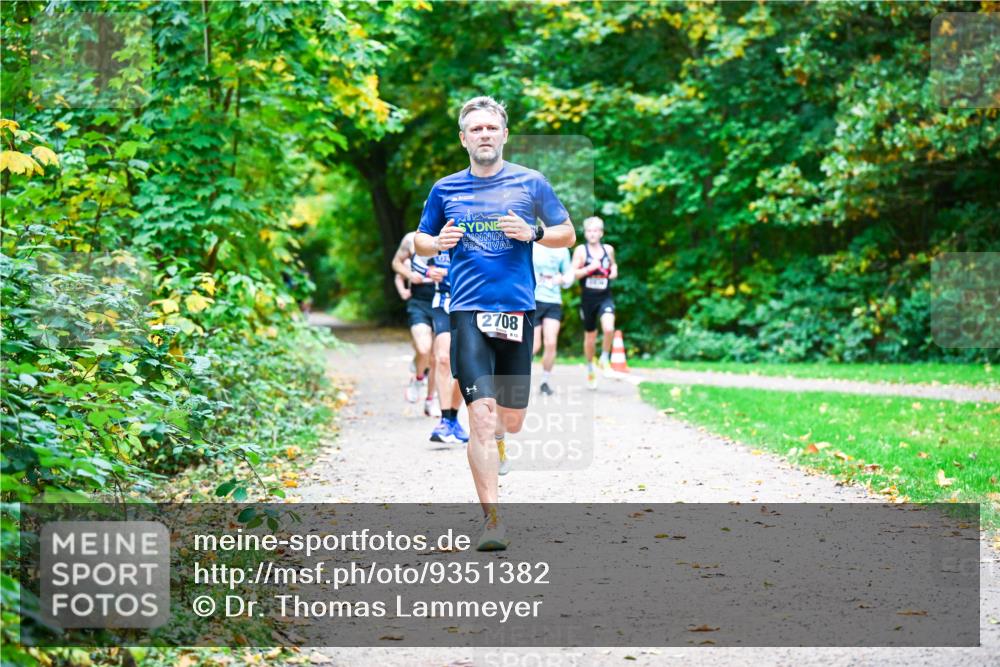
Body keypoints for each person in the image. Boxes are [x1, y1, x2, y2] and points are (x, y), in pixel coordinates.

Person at [414, 95, 575, 550]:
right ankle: (493, 521)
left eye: (491, 128)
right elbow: (421, 240)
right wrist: (434, 242)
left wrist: (535, 233)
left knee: (512, 419)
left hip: (518, 312)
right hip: (466, 311)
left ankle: (504, 438)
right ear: (464, 139)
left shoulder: (531, 182)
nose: (484, 134)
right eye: (476, 129)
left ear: (504, 134)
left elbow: (568, 233)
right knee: (480, 417)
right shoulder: (445, 189)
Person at [391, 232, 438, 417]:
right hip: (419, 301)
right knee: (424, 349)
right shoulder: (411, 239)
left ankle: (430, 400)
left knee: (437, 357)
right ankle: (418, 380)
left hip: (444, 300)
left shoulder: (453, 233)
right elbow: (396, 263)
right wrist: (411, 275)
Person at [426, 245, 469, 444]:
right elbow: (412, 261)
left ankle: (453, 417)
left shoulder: (478, 231)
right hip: (443, 302)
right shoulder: (438, 234)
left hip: (471, 303)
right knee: (443, 358)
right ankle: (444, 419)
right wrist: (428, 271)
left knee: (465, 364)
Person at [572, 216, 618, 390]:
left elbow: (613, 266)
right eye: (589, 231)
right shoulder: (581, 251)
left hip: (605, 296)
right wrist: (588, 269)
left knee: (609, 328)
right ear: (586, 233)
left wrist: (613, 271)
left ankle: (605, 358)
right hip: (588, 300)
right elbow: (573, 274)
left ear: (601, 233)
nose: (592, 234)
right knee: (590, 338)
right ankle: (591, 368)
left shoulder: (608, 249)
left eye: (595, 231)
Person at [532, 243, 573, 395]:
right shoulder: (533, 244)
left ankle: (544, 381)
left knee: (551, 343)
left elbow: (569, 275)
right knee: (534, 346)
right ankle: (519, 377)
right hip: (533, 299)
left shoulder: (562, 249)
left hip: (553, 301)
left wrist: (563, 279)